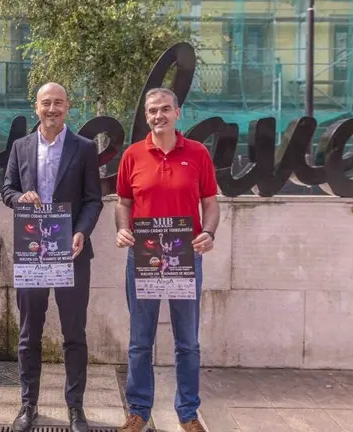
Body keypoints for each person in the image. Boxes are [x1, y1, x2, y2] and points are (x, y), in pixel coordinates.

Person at [114, 88, 220, 432]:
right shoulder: (132, 155)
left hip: (185, 258)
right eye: (151, 111)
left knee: (187, 341)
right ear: (146, 116)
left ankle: (188, 412)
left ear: (178, 112)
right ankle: (138, 411)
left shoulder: (198, 154)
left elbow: (210, 201)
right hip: (142, 258)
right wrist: (121, 229)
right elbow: (123, 203)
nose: (157, 116)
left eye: (164, 109)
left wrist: (210, 232)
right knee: (140, 340)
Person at [1, 82, 103, 432]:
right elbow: (7, 190)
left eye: (59, 103)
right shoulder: (21, 146)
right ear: (36, 107)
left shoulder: (85, 148)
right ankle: (28, 406)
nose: (52, 109)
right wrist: (19, 200)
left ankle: (76, 408)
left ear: (68, 107)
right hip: (32, 254)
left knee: (74, 333)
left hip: (71, 252)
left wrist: (82, 231)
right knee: (30, 333)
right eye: (46, 103)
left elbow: (93, 200)